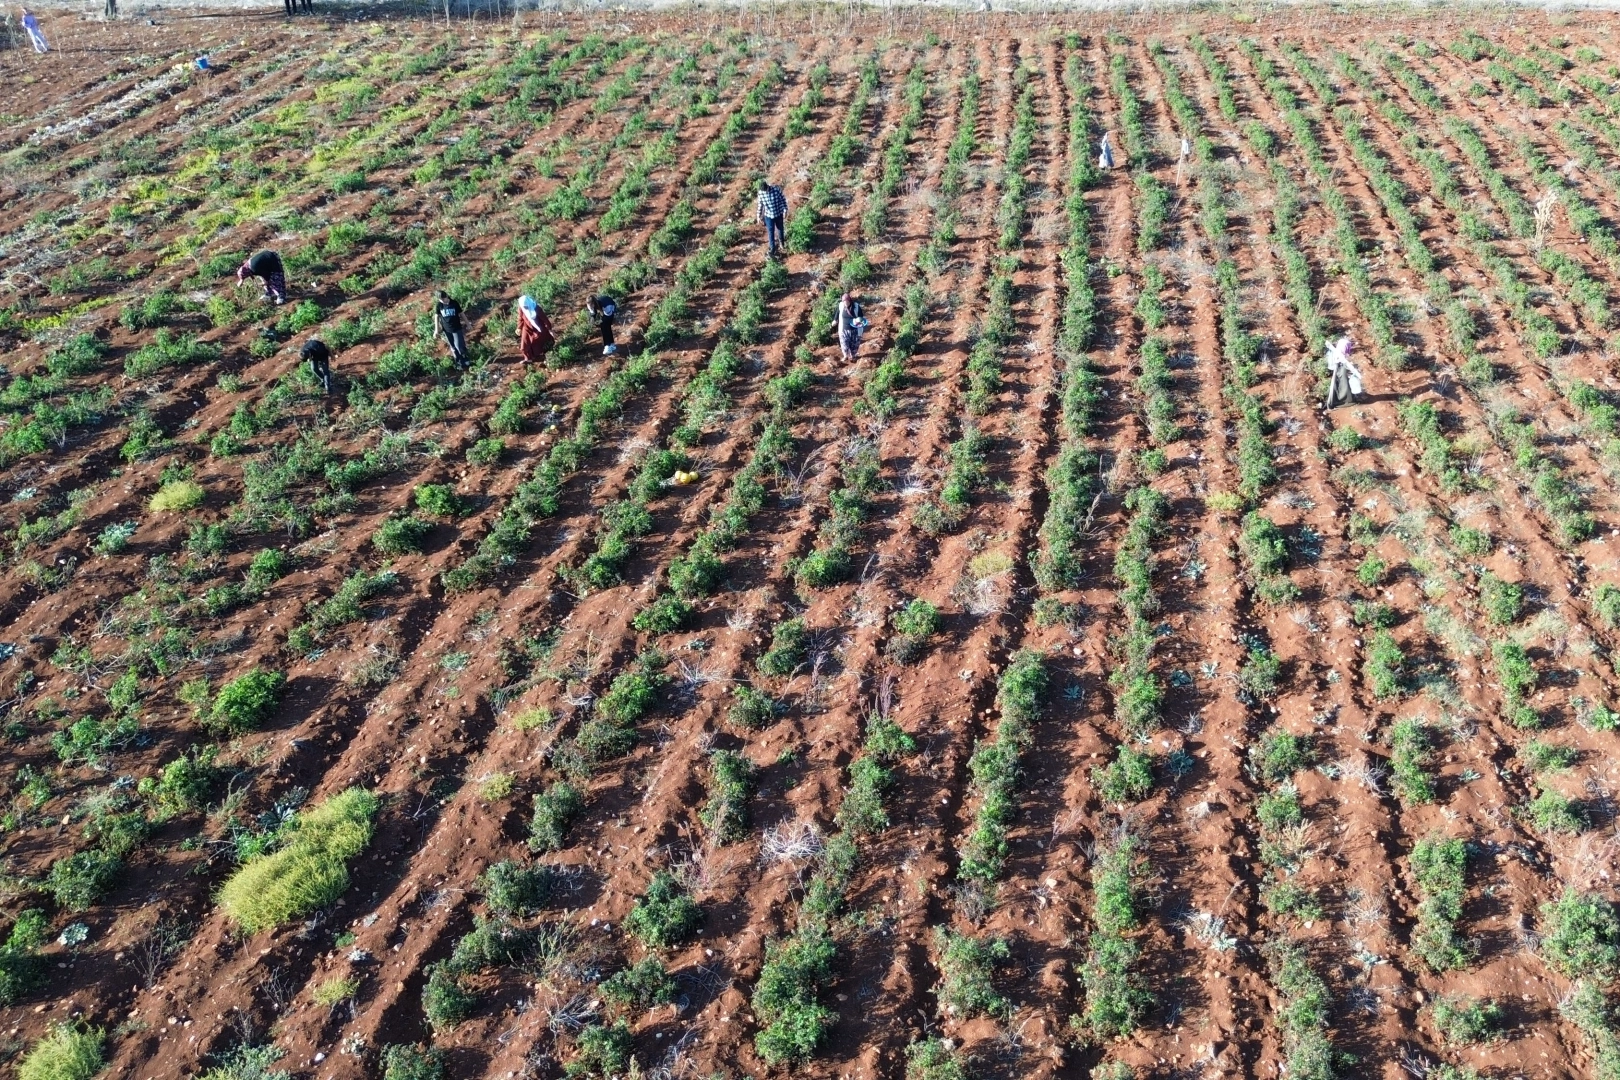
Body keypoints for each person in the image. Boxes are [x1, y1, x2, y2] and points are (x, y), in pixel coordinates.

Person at [1323, 335, 1363, 410]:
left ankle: (1337, 399)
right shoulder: (1344, 349)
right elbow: (1345, 358)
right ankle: (1345, 399)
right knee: (1344, 384)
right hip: (1341, 368)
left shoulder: (1338, 348)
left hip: (1337, 367)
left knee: (1337, 384)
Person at [433, 290, 469, 371]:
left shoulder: (454, 303)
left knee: (459, 345)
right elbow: (436, 317)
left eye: (443, 299)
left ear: (447, 296)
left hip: (456, 328)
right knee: (453, 347)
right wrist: (436, 330)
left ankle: (465, 359)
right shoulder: (439, 305)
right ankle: (459, 362)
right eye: (440, 300)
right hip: (447, 330)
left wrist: (468, 324)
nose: (443, 301)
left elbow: (461, 314)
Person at [517, 295, 555, 365]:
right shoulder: (521, 307)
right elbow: (520, 318)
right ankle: (528, 359)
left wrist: (549, 329)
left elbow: (545, 319)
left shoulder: (536, 308)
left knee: (541, 340)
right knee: (525, 342)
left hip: (538, 327)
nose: (525, 307)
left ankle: (545, 355)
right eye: (523, 306)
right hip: (527, 327)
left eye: (526, 306)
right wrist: (519, 327)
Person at [756, 177, 788, 258]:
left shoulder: (776, 190)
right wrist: (758, 215)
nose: (765, 192)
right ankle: (772, 248)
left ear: (768, 187)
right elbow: (760, 205)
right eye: (763, 191)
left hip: (778, 213)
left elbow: (783, 199)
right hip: (768, 216)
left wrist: (785, 210)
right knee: (771, 232)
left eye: (765, 190)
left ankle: (782, 243)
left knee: (780, 229)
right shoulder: (761, 193)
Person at [837, 292, 866, 363]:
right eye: (844, 302)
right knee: (844, 344)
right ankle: (845, 356)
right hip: (844, 329)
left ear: (850, 301)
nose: (845, 303)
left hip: (854, 330)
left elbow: (861, 317)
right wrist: (835, 320)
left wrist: (858, 320)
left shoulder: (856, 306)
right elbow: (837, 313)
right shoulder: (841, 306)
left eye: (847, 302)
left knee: (854, 344)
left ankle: (853, 356)